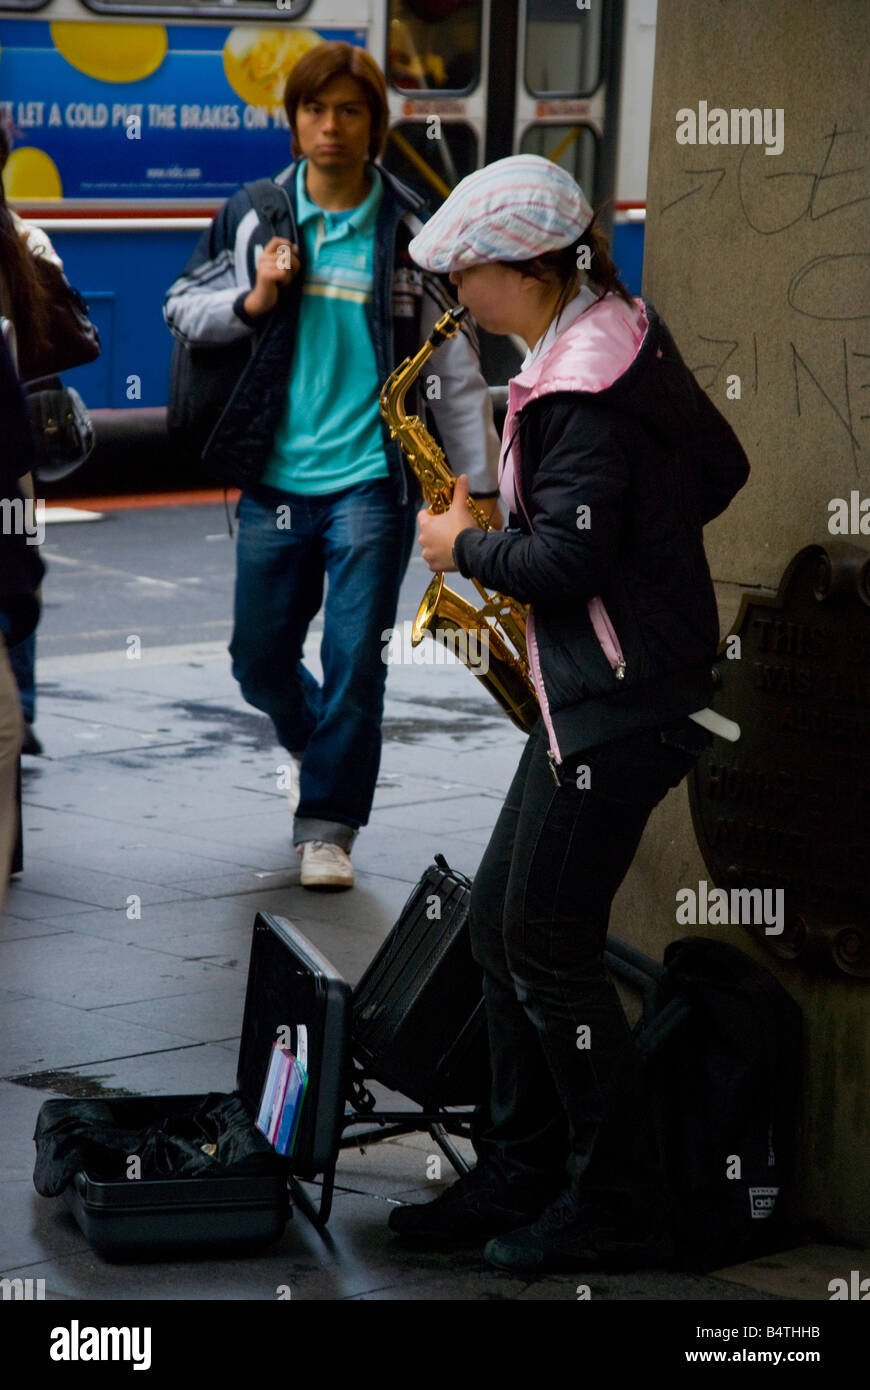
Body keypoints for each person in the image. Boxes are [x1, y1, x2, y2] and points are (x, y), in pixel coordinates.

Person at [391, 154, 750, 1272]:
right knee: (505, 928)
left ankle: (617, 1198)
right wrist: (629, 540)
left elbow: (564, 559)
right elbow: (719, 467)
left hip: (619, 704)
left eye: (468, 278)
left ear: (531, 269)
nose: (458, 302)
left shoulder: (588, 377)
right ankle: (520, 1170)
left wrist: (465, 546)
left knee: (548, 950)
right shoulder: (606, 334)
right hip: (601, 688)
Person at [164, 41, 500, 890]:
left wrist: (482, 488)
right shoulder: (256, 214)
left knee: (356, 659)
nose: (330, 127)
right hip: (275, 479)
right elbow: (180, 306)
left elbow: (453, 370)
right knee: (258, 660)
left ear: (374, 124)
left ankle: (328, 826)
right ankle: (324, 755)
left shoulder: (411, 233)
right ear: (295, 121)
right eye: (315, 111)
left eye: (349, 111)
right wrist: (255, 299)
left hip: (370, 483)